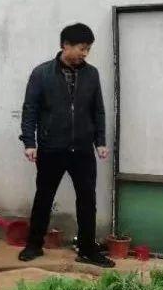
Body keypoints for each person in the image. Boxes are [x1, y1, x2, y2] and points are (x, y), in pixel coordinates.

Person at [18, 23, 114, 268]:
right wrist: (29, 142)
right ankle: (34, 245)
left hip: (82, 149)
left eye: (88, 49)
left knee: (87, 199)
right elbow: (30, 109)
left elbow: (98, 110)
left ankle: (88, 249)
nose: (85, 53)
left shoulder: (91, 74)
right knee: (44, 197)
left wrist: (100, 141)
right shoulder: (42, 73)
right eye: (82, 48)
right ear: (65, 45)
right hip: (51, 147)